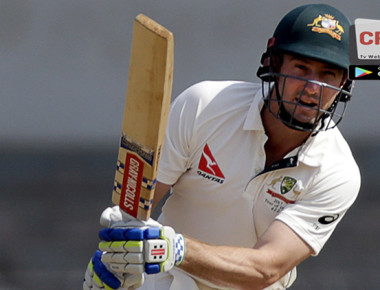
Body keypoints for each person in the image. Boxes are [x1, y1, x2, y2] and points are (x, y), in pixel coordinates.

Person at [83, 4, 361, 290]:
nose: (313, 88)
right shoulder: (204, 106)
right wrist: (113, 260)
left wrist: (177, 249)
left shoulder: (337, 172)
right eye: (301, 68)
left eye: (327, 74)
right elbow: (135, 209)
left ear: (344, 84)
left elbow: (266, 268)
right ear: (274, 65)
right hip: (167, 278)